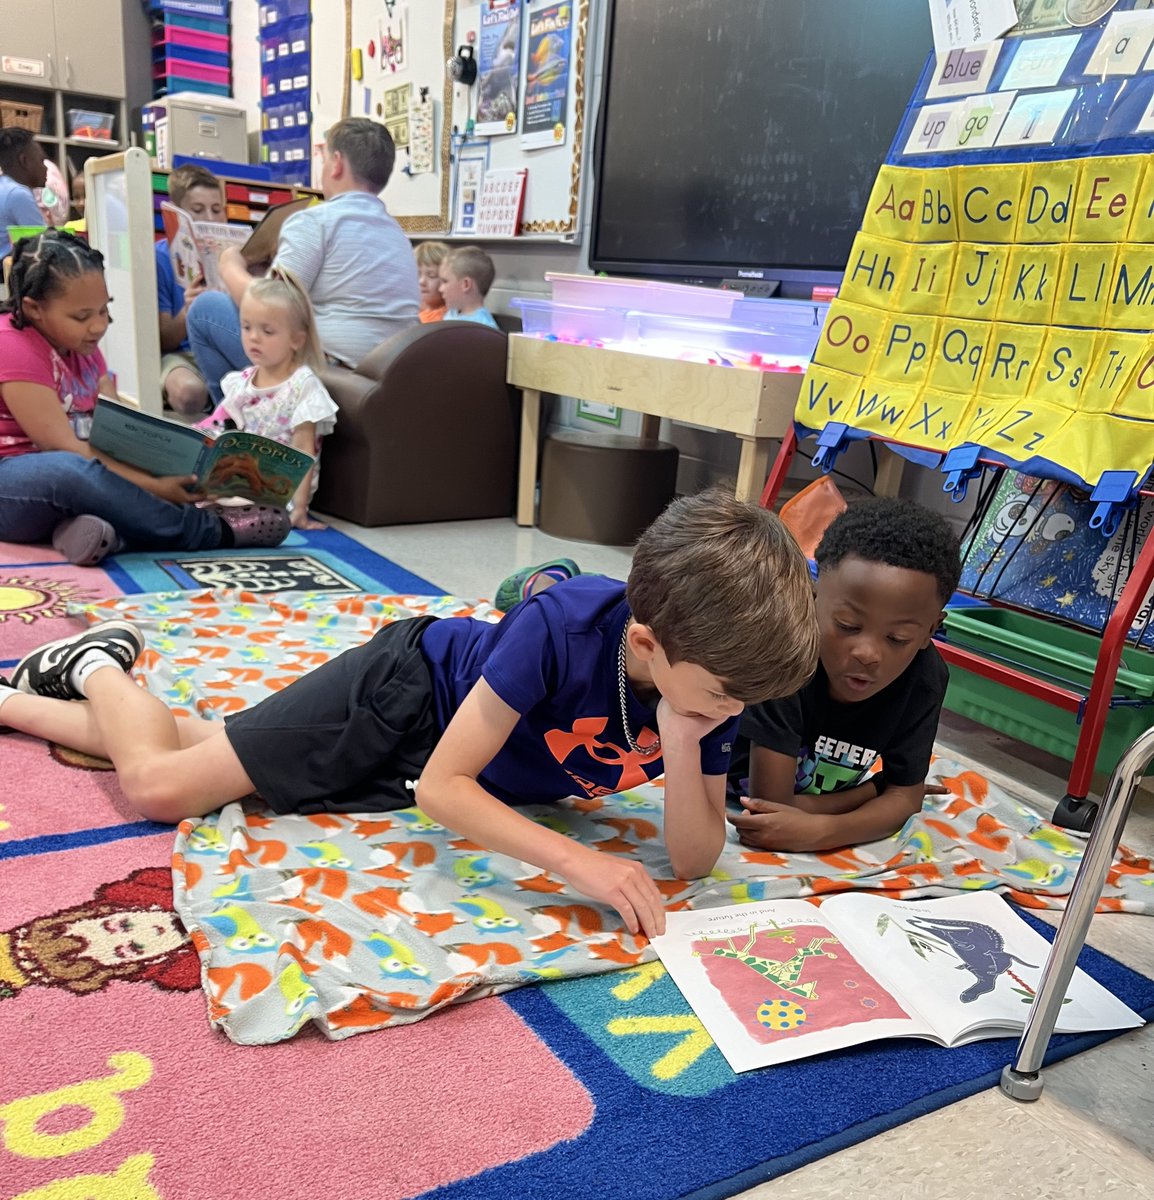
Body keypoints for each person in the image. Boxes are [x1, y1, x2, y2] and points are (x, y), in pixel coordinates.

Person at [1, 490, 820, 937]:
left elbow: (693, 858)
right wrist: (581, 866)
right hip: (402, 697)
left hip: (448, 754)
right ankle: (100, 663)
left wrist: (683, 738)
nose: (730, 713)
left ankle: (13, 701)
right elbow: (442, 787)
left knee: (208, 745)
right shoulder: (563, 625)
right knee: (164, 788)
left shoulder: (712, 687)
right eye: (718, 696)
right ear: (646, 640)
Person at [0, 230, 291, 565]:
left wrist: (171, 464)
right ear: (33, 309)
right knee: (70, 472)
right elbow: (62, 447)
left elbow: (114, 431)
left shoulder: (80, 344)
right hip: (16, 484)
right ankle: (208, 530)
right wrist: (156, 488)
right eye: (82, 316)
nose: (98, 326)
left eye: (103, 311)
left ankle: (109, 536)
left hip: (63, 491)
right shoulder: (12, 344)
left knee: (93, 478)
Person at [727, 497, 962, 853]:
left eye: (897, 639)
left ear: (931, 630)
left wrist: (824, 831)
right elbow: (770, 805)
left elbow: (906, 799)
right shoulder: (785, 651)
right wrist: (876, 791)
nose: (867, 654)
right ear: (814, 595)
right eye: (848, 626)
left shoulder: (925, 678)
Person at [187, 118, 420, 404]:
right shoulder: (397, 234)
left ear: (336, 163)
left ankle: (233, 425)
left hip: (330, 373)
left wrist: (229, 264)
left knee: (205, 309)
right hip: (391, 375)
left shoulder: (315, 221)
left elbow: (270, 310)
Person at [199, 270, 338, 530]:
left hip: (278, 491)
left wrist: (300, 510)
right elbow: (219, 428)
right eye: (247, 327)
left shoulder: (303, 386)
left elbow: (304, 452)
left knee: (223, 507)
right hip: (241, 477)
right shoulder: (241, 381)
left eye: (267, 331)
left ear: (296, 340)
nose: (253, 337)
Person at [156, 164, 226, 417]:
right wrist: (188, 311)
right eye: (197, 211)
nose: (209, 218)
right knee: (189, 392)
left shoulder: (232, 257)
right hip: (181, 355)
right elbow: (164, 340)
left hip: (223, 350)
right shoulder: (160, 258)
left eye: (217, 210)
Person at [0, 129, 48, 259]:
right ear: (24, 161)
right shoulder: (18, 194)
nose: (46, 167)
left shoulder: (4, 188)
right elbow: (44, 246)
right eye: (41, 161)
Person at [439, 245, 500, 329]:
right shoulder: (451, 314)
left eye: (445, 281)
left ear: (466, 284)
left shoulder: (484, 328)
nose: (440, 289)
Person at [415, 240, 449, 323]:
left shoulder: (444, 319)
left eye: (431, 275)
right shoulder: (414, 311)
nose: (421, 281)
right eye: (417, 274)